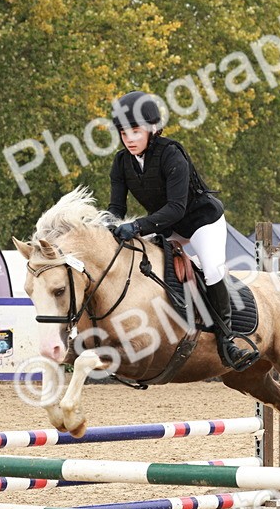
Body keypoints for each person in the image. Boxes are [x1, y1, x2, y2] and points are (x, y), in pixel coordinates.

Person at [106, 90, 258, 371]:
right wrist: (108, 226)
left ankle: (228, 342)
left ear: (152, 129)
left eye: (136, 131)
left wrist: (137, 226)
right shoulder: (121, 162)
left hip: (200, 221)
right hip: (166, 226)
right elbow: (115, 207)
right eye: (124, 132)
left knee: (212, 270)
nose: (129, 139)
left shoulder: (171, 154)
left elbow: (176, 208)